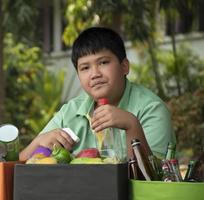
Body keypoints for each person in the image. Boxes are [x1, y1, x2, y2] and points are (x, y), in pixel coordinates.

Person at [19, 27, 176, 161]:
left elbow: (154, 178)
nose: (95, 74)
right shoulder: (71, 111)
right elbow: (19, 164)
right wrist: (39, 141)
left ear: (124, 66)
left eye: (103, 62)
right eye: (85, 68)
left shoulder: (152, 109)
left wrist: (132, 125)